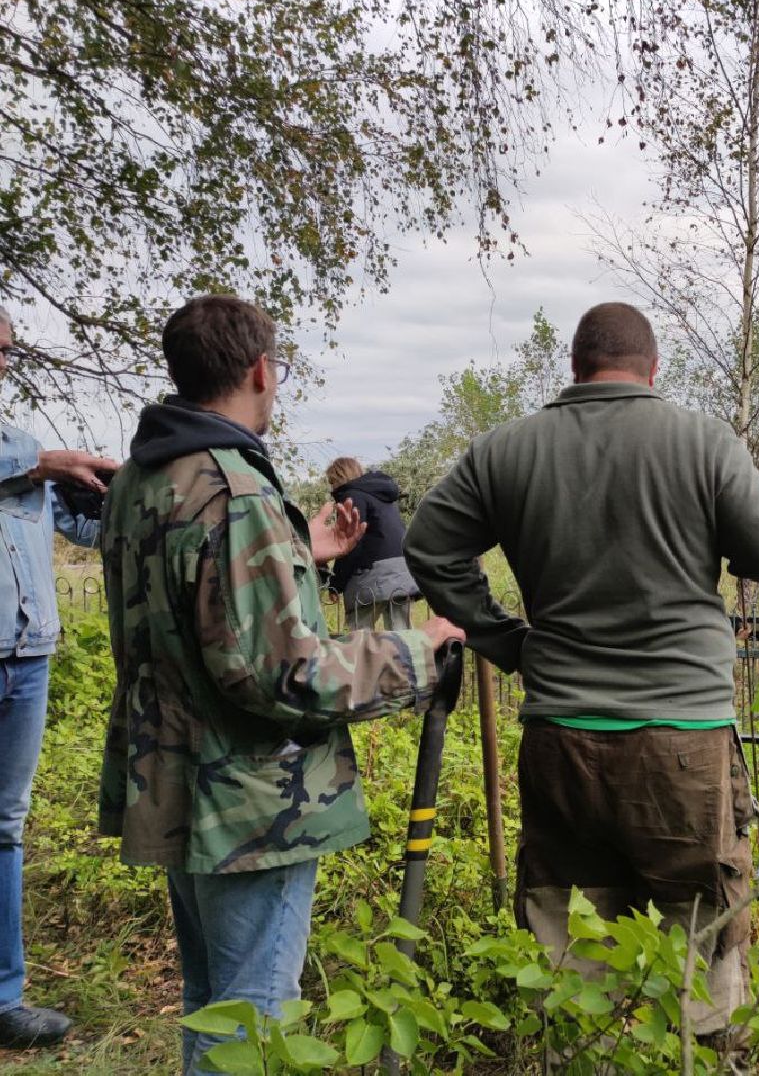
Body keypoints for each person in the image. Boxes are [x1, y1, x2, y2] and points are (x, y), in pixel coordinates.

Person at [404, 301, 759, 1057]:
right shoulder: (701, 442)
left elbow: (430, 547)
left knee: (570, 930)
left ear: (574, 368)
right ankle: (695, 1055)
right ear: (652, 370)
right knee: (698, 925)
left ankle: (581, 1054)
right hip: (684, 743)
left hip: (561, 735)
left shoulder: (506, 449)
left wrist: (506, 640)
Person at [98, 295, 462, 1075]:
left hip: (176, 785)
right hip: (252, 809)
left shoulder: (142, 477)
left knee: (214, 1012)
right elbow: (284, 674)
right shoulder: (237, 492)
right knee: (250, 1031)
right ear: (261, 371)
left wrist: (297, 548)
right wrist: (417, 652)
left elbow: (182, 608)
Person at [0, 308, 118, 1049]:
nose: (1, 361)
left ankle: (4, 998)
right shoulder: (24, 453)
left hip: (28, 654)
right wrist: (42, 463)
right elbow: (27, 467)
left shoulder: (22, 450)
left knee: (6, 828)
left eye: (6, 349)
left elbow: (84, 529)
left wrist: (142, 496)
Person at [324, 457, 421, 629]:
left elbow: (350, 545)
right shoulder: (385, 497)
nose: (332, 488)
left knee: (359, 635)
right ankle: (409, 656)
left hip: (373, 576)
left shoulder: (351, 496)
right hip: (403, 570)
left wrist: (335, 585)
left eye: (332, 482)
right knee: (402, 634)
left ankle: (362, 657)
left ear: (339, 477)